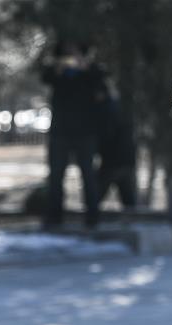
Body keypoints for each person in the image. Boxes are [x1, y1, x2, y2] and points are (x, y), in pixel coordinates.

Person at [41, 41, 105, 229]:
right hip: (60, 131)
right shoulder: (57, 71)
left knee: (88, 175)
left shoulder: (91, 72)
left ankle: (92, 216)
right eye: (66, 53)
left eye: (74, 52)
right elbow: (46, 77)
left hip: (85, 132)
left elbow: (101, 91)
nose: (70, 57)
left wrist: (86, 68)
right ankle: (54, 216)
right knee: (55, 176)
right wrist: (58, 68)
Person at [96, 87, 138, 210]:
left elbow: (106, 136)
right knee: (128, 199)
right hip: (126, 158)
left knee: (96, 196)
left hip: (112, 160)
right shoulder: (118, 107)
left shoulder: (106, 110)